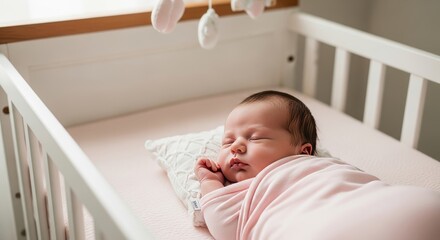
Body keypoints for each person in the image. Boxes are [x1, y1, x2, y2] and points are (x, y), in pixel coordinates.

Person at [194, 90, 317, 196]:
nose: (235, 147)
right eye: (228, 142)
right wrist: (210, 181)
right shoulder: (246, 194)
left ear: (303, 153)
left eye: (255, 138)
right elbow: (219, 216)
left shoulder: (312, 175)